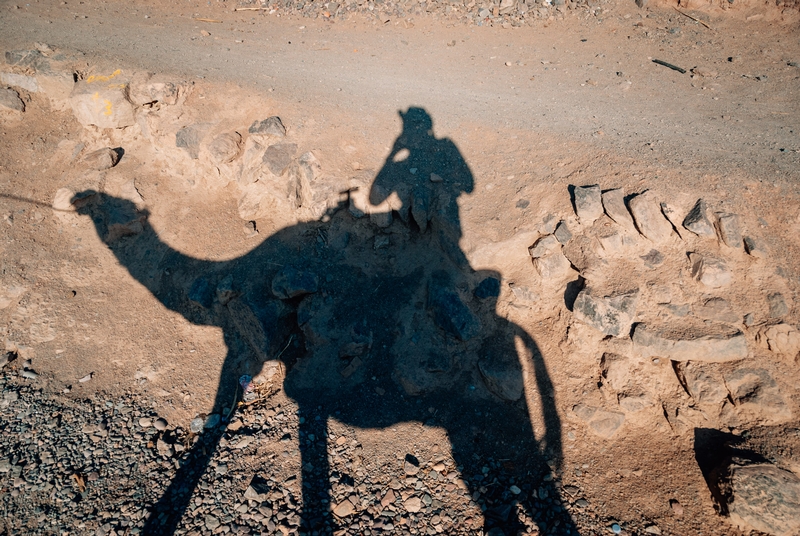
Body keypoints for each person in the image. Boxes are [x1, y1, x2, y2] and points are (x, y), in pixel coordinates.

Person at [76, 107, 576, 535]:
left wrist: (402, 152)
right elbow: (387, 194)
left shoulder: (437, 155)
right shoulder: (433, 154)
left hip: (440, 264)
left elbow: (389, 194)